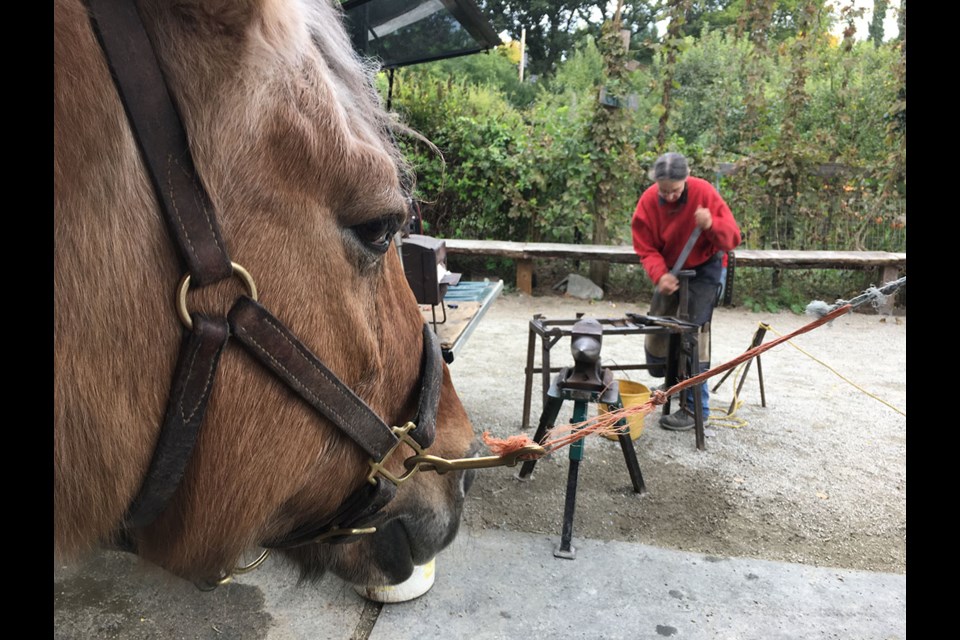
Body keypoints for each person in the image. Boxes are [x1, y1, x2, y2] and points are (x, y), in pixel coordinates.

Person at [631, 152, 742, 431]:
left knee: (694, 333)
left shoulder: (704, 192)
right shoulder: (647, 201)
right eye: (663, 190)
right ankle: (670, 379)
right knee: (659, 324)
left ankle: (696, 410)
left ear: (686, 179)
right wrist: (660, 275)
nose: (669, 197)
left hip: (705, 269)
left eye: (675, 190)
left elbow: (732, 238)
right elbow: (645, 247)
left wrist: (711, 224)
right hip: (670, 268)